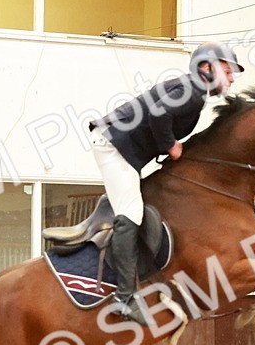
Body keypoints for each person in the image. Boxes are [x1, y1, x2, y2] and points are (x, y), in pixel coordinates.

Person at [88, 41, 244, 325]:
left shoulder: (192, 90)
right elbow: (160, 114)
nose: (232, 78)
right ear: (206, 67)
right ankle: (123, 300)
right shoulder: (193, 91)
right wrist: (170, 145)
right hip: (112, 144)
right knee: (130, 213)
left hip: (115, 143)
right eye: (227, 70)